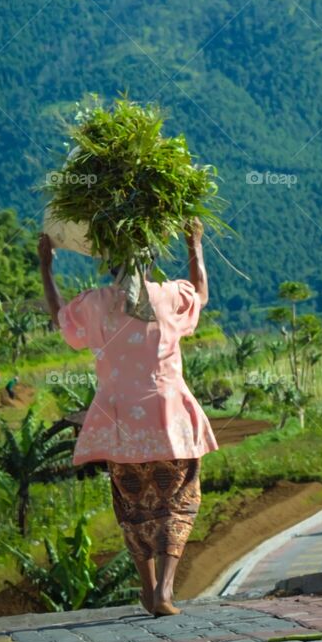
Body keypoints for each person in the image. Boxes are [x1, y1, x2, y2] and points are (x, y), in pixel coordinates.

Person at [38, 218, 217, 618]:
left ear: (109, 263)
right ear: (150, 259)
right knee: (178, 500)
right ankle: (165, 591)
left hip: (119, 422)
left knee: (133, 504)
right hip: (169, 418)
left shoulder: (94, 303)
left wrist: (46, 268)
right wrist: (194, 243)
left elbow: (59, 317)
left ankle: (147, 587)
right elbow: (202, 294)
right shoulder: (170, 296)